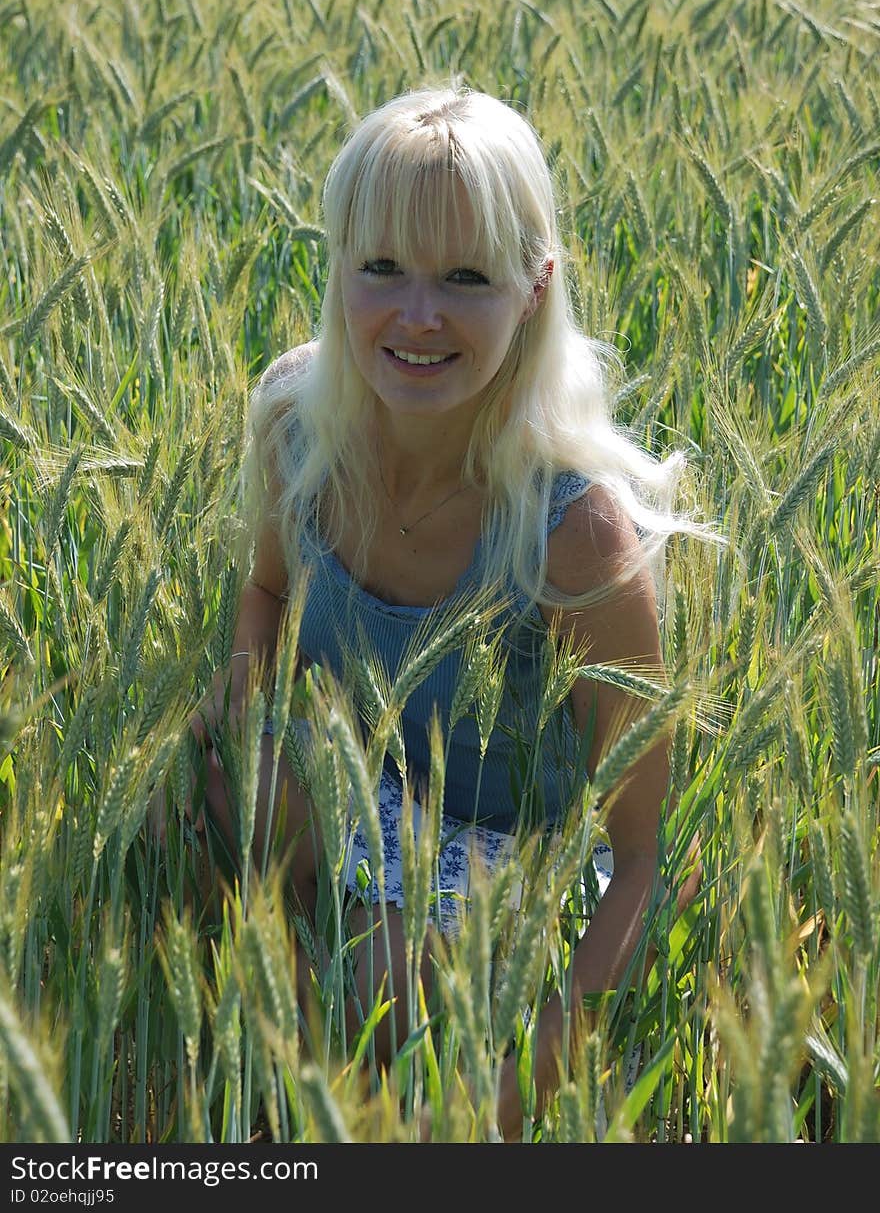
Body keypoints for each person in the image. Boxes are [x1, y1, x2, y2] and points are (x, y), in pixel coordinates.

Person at [189, 83, 715, 1138]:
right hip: (361, 780)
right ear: (335, 262)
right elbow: (263, 591)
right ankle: (276, 1079)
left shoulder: (574, 535)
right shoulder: (298, 422)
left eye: (465, 277)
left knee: (375, 984)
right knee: (179, 813)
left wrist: (502, 1105)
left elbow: (652, 862)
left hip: (507, 841)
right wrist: (243, 716)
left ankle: (320, 1081)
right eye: (382, 266)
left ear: (533, 287)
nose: (416, 313)